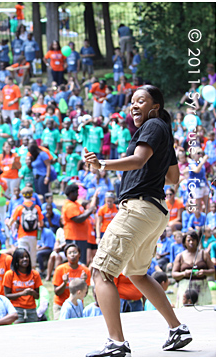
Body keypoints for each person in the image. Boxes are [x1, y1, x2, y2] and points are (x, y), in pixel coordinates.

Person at [84, 85, 192, 356]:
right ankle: (177, 329)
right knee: (136, 273)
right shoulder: (163, 131)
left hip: (138, 208)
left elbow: (139, 159)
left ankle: (116, 342)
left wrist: (103, 164)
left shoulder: (154, 125)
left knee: (101, 272)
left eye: (140, 101)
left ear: (155, 106)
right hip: (154, 211)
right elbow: (173, 178)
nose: (133, 105)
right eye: (131, 102)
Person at [171, 230, 214, 308]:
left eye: (193, 240)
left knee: (203, 309)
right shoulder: (180, 256)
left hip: (202, 288)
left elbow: (212, 270)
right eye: (189, 240)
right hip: (185, 288)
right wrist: (184, 273)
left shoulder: (203, 254)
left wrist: (204, 272)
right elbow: (174, 274)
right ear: (185, 242)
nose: (191, 242)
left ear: (197, 241)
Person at [52, 243, 91, 320]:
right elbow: (57, 292)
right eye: (69, 253)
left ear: (79, 254)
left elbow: (84, 293)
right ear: (66, 256)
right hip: (60, 305)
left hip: (77, 305)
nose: (72, 255)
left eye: (75, 252)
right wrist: (64, 283)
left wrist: (84, 281)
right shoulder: (60, 269)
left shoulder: (85, 271)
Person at [8, 187, 44, 268]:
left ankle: (23, 270)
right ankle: (33, 270)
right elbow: (41, 223)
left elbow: (11, 222)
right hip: (34, 235)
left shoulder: (20, 208)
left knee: (22, 254)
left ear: (22, 195)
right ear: (32, 195)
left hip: (22, 235)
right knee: (33, 254)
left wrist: (12, 229)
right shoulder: (37, 208)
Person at [3, 248, 42, 324]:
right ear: (16, 260)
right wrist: (22, 293)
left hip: (31, 309)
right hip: (16, 309)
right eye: (21, 257)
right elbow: (7, 295)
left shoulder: (35, 274)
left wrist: (32, 292)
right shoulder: (9, 274)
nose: (25, 259)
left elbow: (37, 296)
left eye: (26, 257)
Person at [62, 183, 97, 264]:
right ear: (71, 193)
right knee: (76, 261)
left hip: (81, 237)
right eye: (76, 192)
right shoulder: (69, 205)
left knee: (82, 261)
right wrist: (90, 211)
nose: (78, 194)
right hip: (74, 237)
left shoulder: (76, 204)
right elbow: (78, 219)